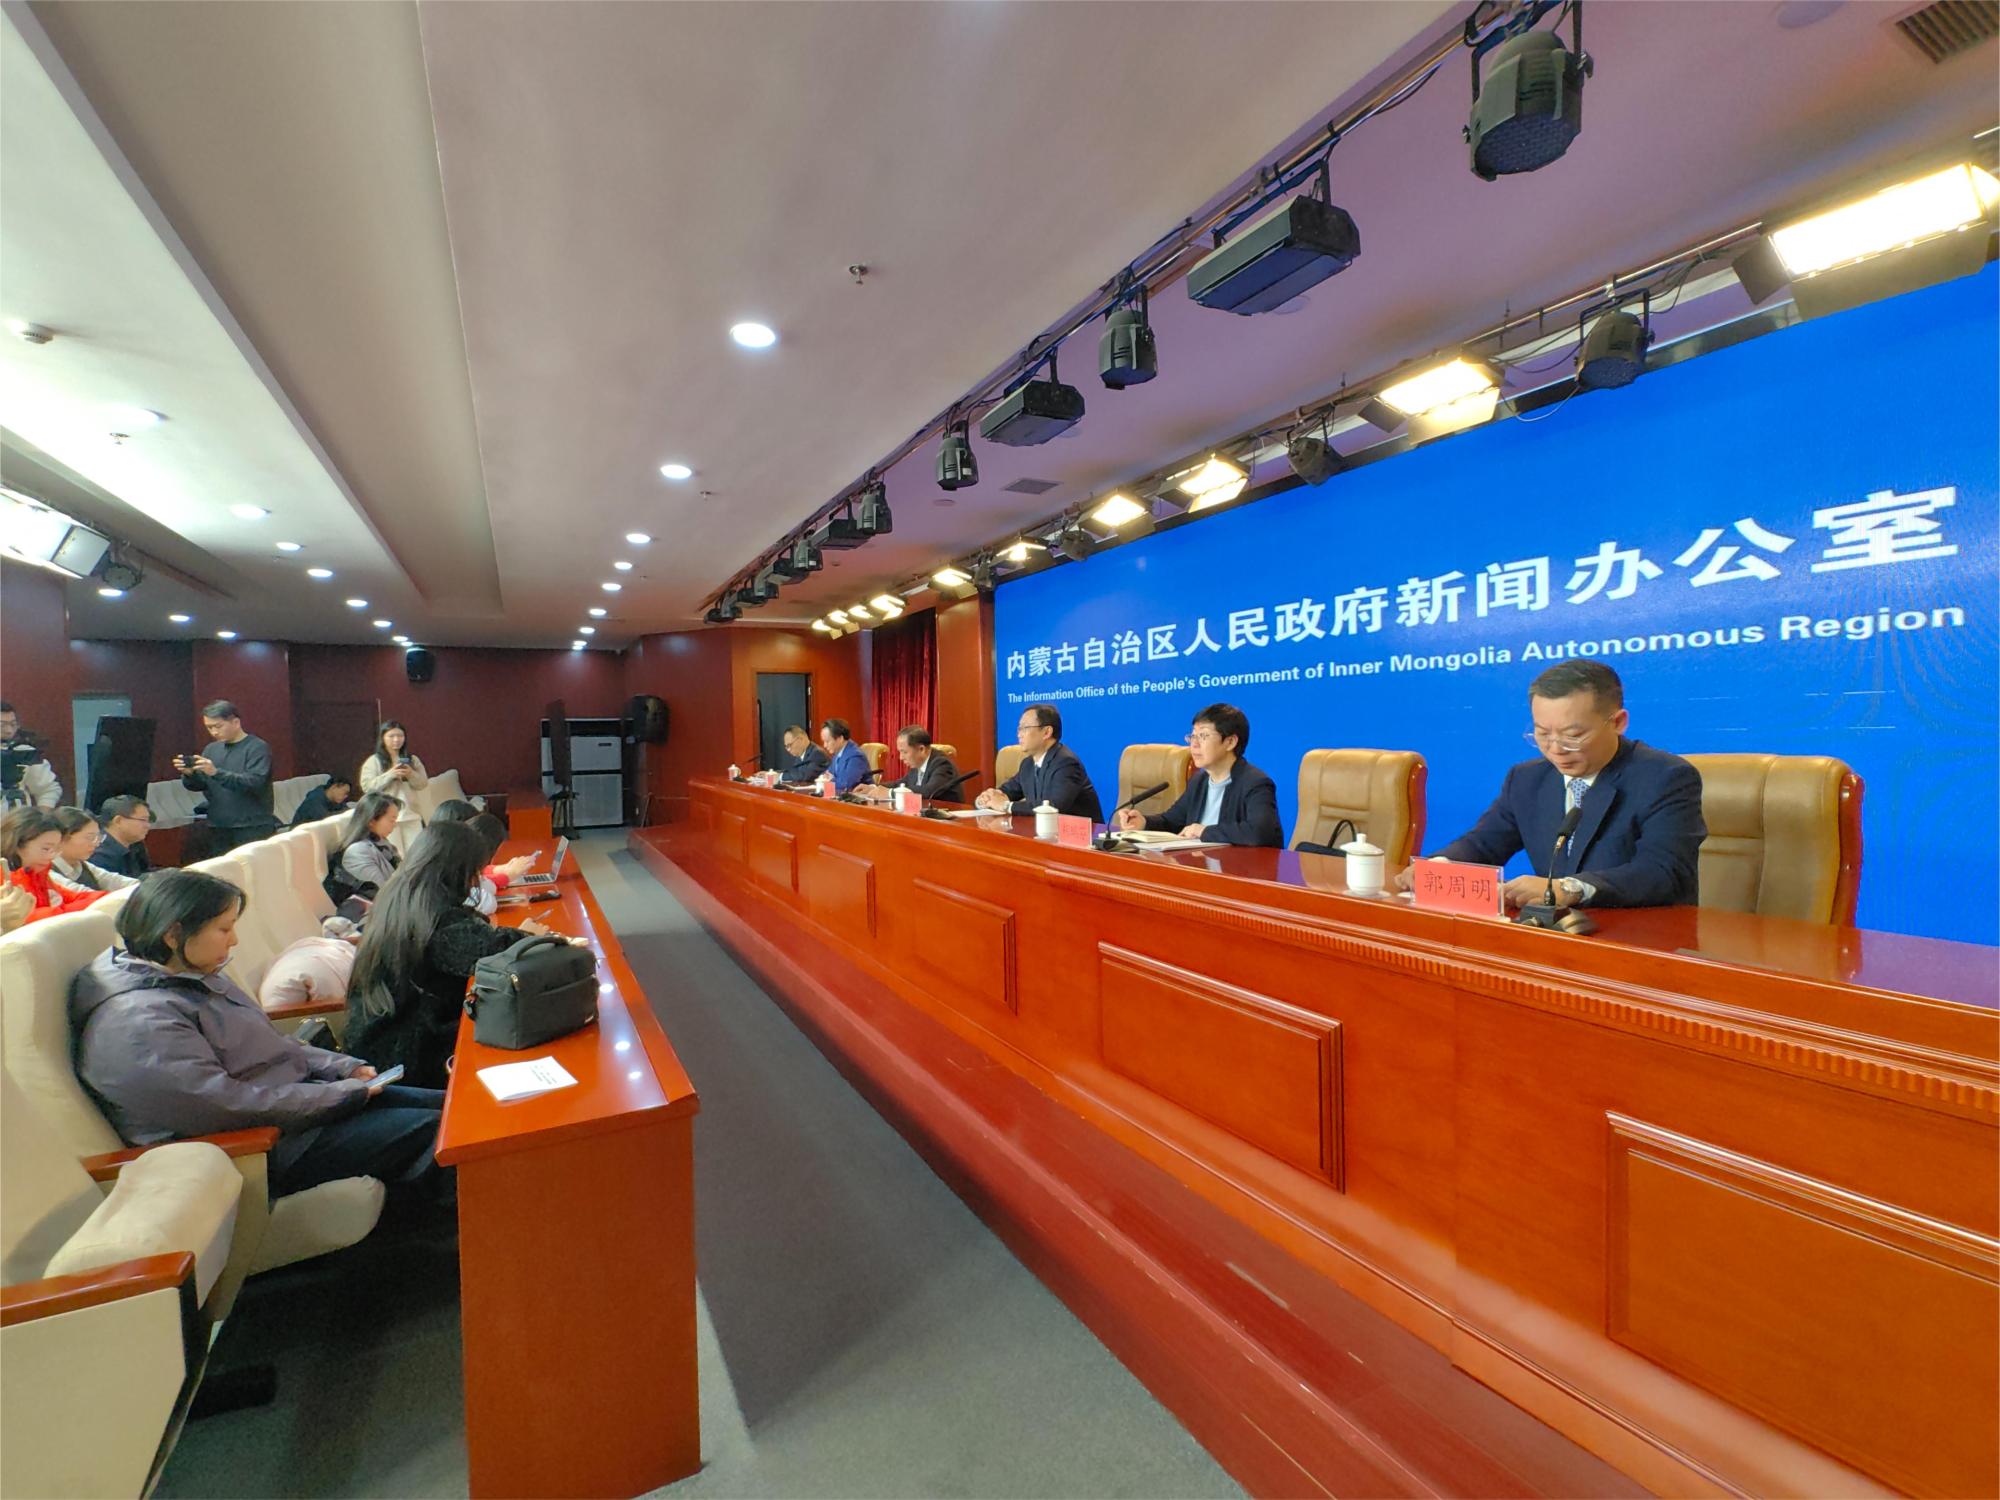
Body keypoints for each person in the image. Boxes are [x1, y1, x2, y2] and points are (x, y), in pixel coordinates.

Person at [68, 869, 447, 1205]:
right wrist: (338, 1095)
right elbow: (221, 1107)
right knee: (441, 1132)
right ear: (173, 934)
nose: (233, 940)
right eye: (224, 929)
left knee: (448, 1106)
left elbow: (272, 1044)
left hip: (301, 1110)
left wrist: (342, 1068)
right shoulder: (137, 1022)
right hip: (265, 1147)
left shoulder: (192, 978)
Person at [1400, 659, 1705, 910]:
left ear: (1618, 722)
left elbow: (1663, 871)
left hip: (1641, 938)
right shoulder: (1527, 779)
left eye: (1573, 735)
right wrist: (1438, 866)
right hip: (1556, 935)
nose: (1556, 749)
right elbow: (1483, 843)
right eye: (1542, 734)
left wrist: (1569, 888)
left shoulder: (1666, 777)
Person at [346, 821, 561, 1088]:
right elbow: (490, 953)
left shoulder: (402, 895)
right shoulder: (433, 916)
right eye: (475, 872)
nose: (476, 880)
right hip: (410, 1053)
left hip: (386, 1035)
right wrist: (527, 936)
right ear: (457, 871)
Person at [1113, 703, 1282, 847]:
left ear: (1230, 742)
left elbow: (1259, 833)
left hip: (1239, 870)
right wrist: (1144, 822)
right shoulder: (1200, 781)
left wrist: (1204, 831)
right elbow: (1171, 821)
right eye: (1192, 736)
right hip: (1201, 866)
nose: (1194, 744)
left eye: (1203, 736)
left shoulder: (1255, 783)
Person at [175, 700, 278, 852]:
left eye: (218, 726)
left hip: (253, 825)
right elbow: (200, 785)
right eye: (209, 727)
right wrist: (190, 775)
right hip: (218, 824)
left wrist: (216, 773)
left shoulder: (257, 747)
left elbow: (255, 782)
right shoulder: (211, 749)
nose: (214, 732)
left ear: (236, 722)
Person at [976, 704, 1105, 822]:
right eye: (1019, 728)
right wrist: (988, 798)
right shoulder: (1028, 764)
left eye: (1025, 728)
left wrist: (1006, 806)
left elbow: (1054, 806)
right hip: (1046, 833)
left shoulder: (1066, 763)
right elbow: (1008, 791)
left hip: (1079, 836)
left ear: (1046, 732)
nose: (1019, 734)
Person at [3, 807, 108, 922]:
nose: (51, 856)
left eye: (56, 849)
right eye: (46, 849)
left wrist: (110, 899)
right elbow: (32, 916)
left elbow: (71, 896)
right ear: (18, 844)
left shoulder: (38, 873)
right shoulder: (5, 878)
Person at [856, 726, 962, 803]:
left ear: (921, 749)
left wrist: (890, 793)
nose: (901, 757)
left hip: (946, 821)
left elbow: (928, 791)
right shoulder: (918, 763)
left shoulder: (942, 764)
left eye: (904, 752)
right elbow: (902, 783)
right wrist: (874, 787)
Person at [51, 807, 139, 891]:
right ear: (61, 838)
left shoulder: (83, 865)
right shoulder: (48, 873)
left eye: (98, 837)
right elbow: (82, 894)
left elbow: (115, 881)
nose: (96, 844)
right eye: (90, 837)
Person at [334, 792, 404, 898]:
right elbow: (382, 892)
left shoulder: (383, 843)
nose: (395, 825)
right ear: (371, 820)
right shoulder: (358, 852)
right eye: (392, 820)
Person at [0, 702, 61, 809]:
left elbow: (48, 789)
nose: (9, 731)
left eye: (13, 724)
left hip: (17, 817)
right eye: (2, 725)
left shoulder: (23, 752)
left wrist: (41, 814)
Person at [359, 721, 429, 798]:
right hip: (385, 804)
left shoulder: (412, 759)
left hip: (409, 804)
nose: (396, 739)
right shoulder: (374, 761)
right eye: (391, 736)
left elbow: (423, 784)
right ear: (382, 738)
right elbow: (367, 788)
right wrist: (391, 774)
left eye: (400, 736)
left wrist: (410, 773)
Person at [92, 795, 154, 879]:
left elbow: (145, 874)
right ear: (118, 821)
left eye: (148, 821)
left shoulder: (136, 845)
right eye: (143, 820)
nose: (148, 826)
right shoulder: (99, 855)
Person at [818, 719, 871, 794]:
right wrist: (827, 779)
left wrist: (829, 780)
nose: (825, 745)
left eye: (827, 741)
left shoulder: (856, 756)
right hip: (839, 796)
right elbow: (826, 774)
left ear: (840, 739)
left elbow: (846, 785)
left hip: (857, 798)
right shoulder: (838, 753)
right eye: (824, 741)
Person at [289, 773, 355, 827]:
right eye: (345, 792)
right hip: (299, 834)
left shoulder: (336, 800)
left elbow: (348, 813)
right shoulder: (314, 799)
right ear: (334, 787)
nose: (346, 796)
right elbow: (325, 820)